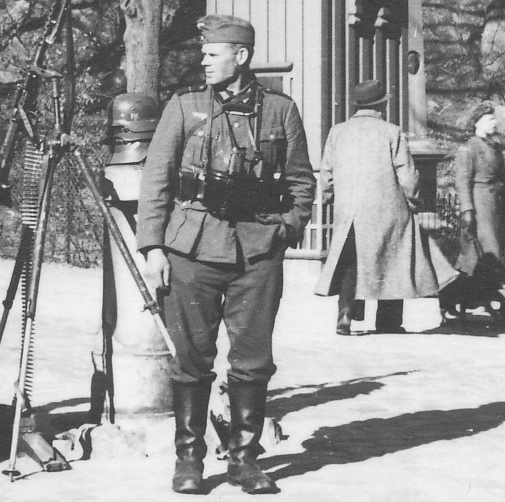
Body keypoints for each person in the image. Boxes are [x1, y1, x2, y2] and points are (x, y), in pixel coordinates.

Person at [137, 14, 316, 496]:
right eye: (203, 54)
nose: (203, 61)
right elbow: (156, 180)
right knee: (192, 359)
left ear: (240, 56)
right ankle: (190, 461)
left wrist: (285, 230)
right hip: (192, 249)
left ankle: (244, 460)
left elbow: (302, 182)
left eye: (212, 54)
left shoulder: (280, 111)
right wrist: (152, 246)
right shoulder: (185, 106)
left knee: (254, 360)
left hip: (258, 252)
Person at [313, 80, 457, 335]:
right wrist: (413, 200)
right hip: (386, 209)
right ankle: (388, 322)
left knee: (350, 262)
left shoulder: (338, 132)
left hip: (349, 211)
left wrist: (328, 197)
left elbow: (326, 172)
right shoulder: (391, 132)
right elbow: (408, 175)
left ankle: (345, 315)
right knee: (392, 260)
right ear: (381, 104)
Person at [451, 103, 505, 323]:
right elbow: (462, 182)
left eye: (493, 118)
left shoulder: (494, 148)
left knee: (474, 258)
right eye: (489, 119)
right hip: (479, 205)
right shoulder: (468, 148)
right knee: (492, 254)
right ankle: (504, 306)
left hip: (493, 206)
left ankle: (453, 299)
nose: (494, 122)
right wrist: (467, 211)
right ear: (477, 122)